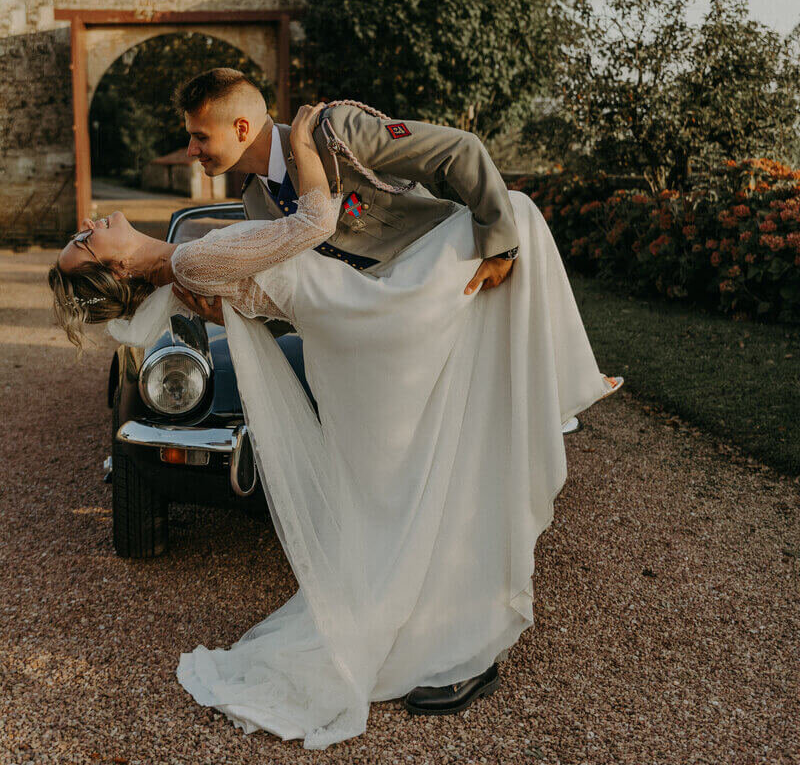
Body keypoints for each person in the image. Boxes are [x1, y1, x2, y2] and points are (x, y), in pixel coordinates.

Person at [48, 96, 623, 750]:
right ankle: (452, 634)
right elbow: (317, 223)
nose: (90, 223)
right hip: (373, 319)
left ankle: (451, 624)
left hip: (351, 324)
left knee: (431, 470)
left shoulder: (189, 260)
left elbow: (275, 290)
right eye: (84, 241)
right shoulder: (189, 265)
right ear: (115, 268)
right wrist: (300, 155)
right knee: (511, 227)